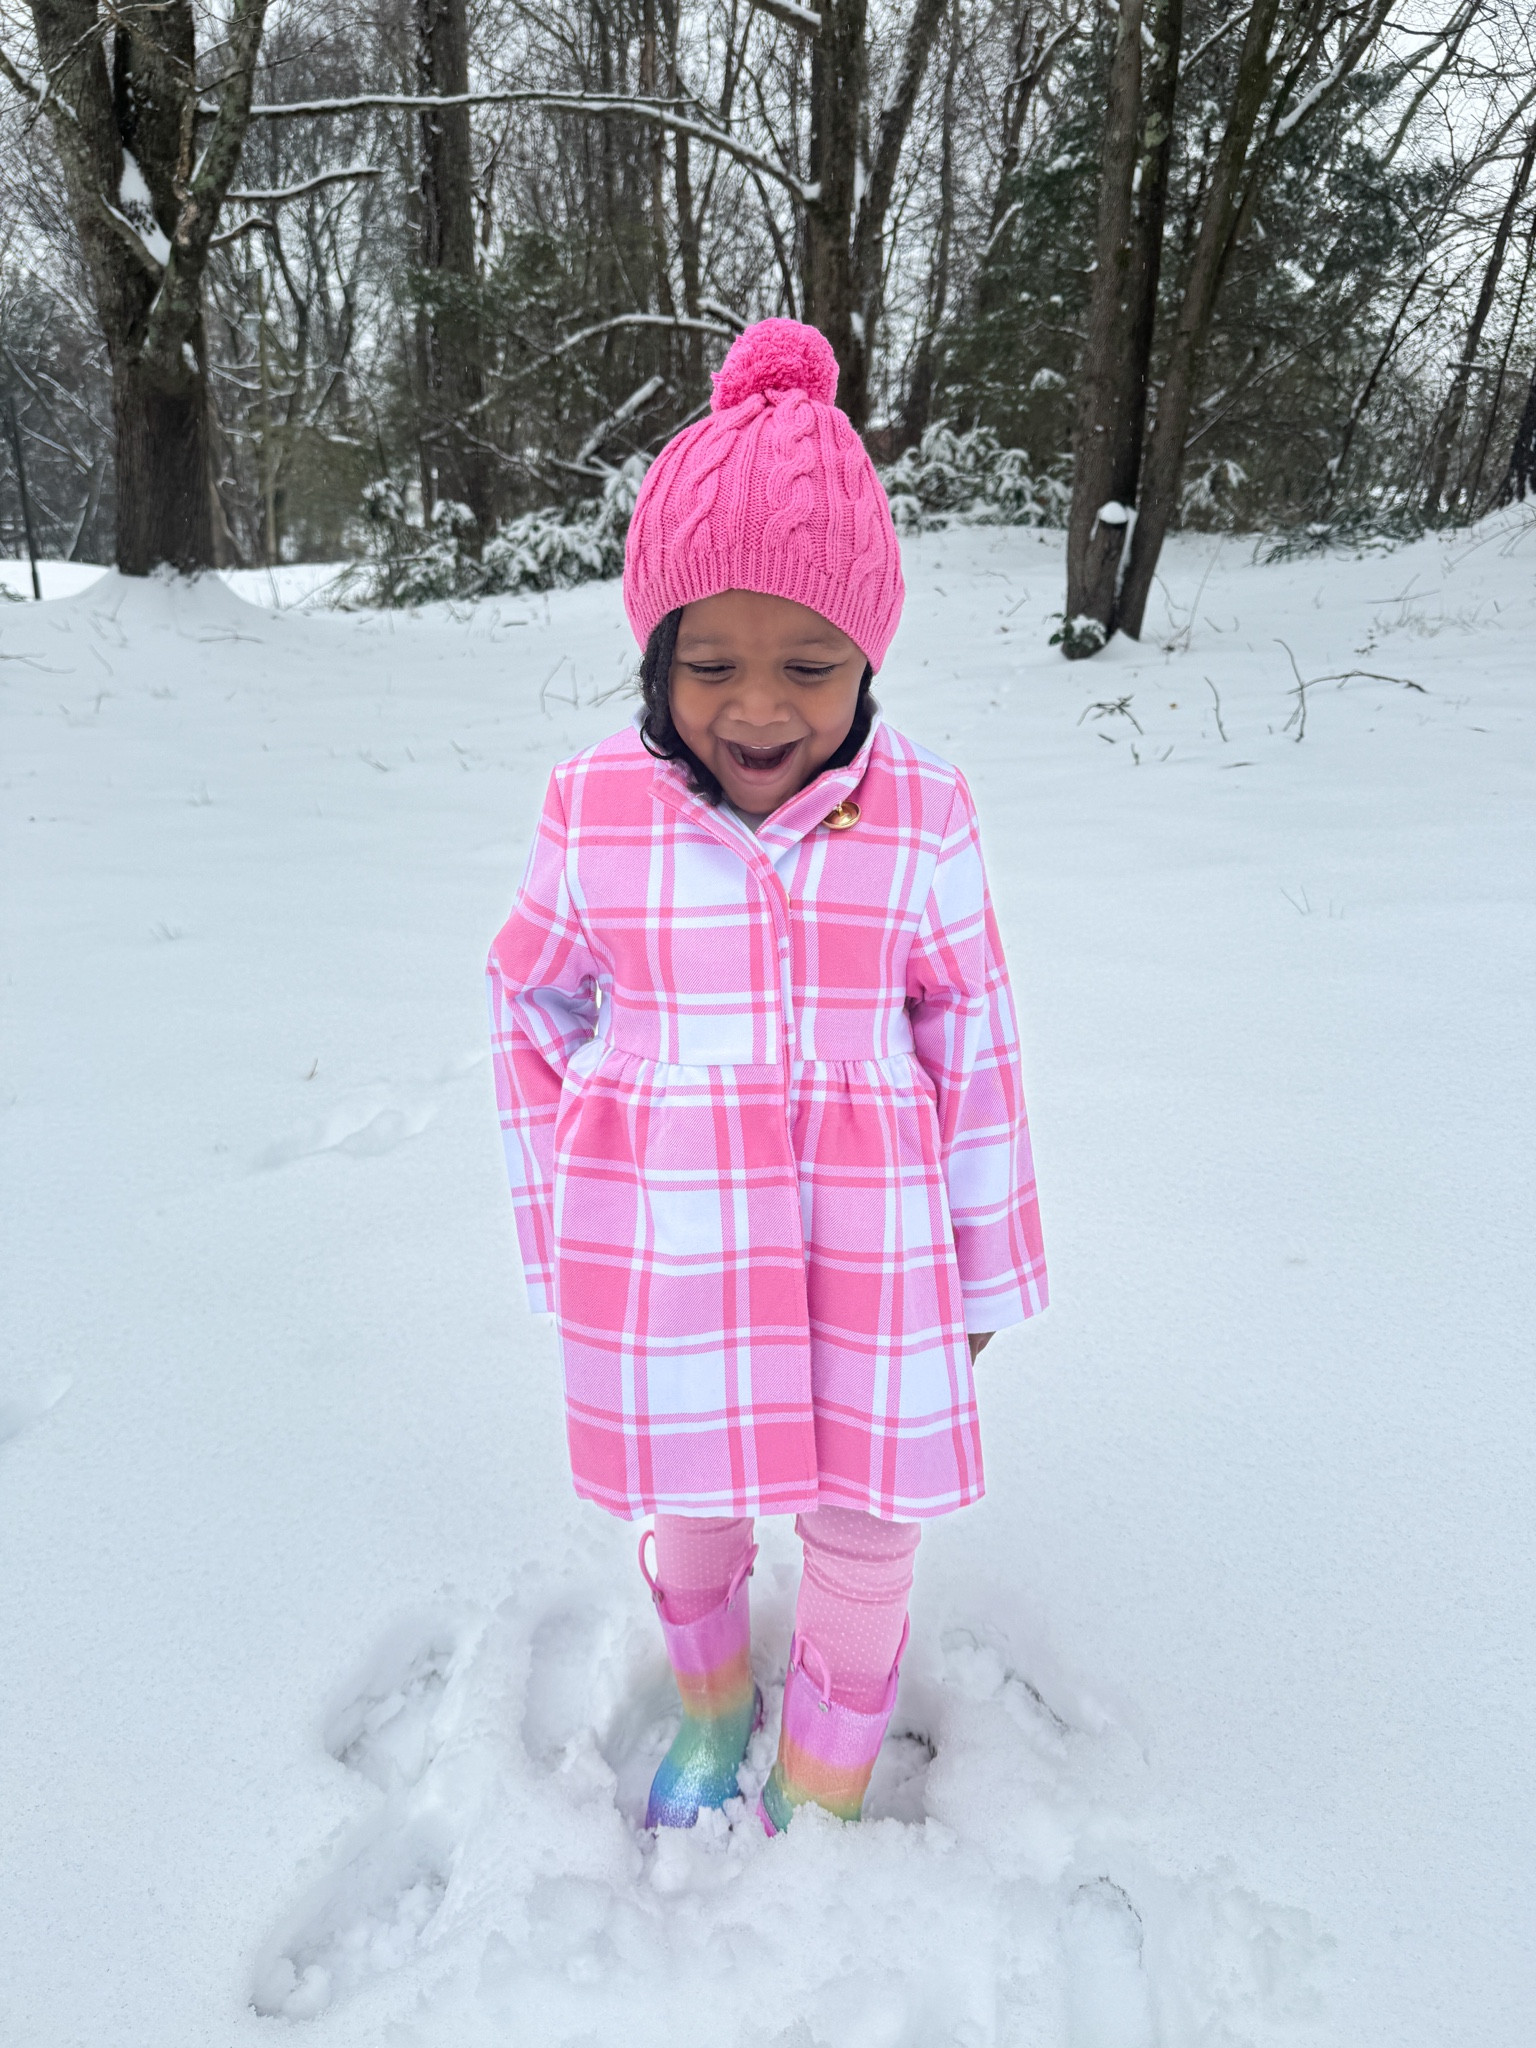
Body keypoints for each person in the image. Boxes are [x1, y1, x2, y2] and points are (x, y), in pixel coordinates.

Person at [487, 317, 1047, 1837]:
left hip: (875, 1234)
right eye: (710, 664)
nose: (757, 708)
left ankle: (827, 1765)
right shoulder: (596, 809)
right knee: (695, 1485)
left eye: (809, 665)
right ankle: (714, 1699)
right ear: (655, 656)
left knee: (870, 1510)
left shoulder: (922, 810)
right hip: (673, 1224)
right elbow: (531, 991)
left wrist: (985, 1271)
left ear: (869, 658)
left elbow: (973, 1030)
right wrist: (575, 1201)